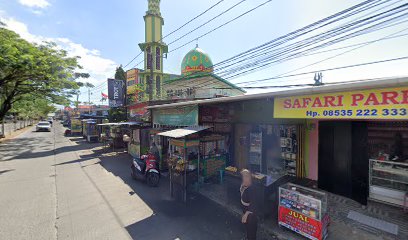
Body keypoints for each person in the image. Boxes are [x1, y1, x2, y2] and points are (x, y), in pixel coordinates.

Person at [240, 169, 258, 240]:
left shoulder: (252, 189)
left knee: (251, 232)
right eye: (243, 176)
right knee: (247, 228)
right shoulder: (244, 185)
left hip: (251, 215)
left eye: (247, 176)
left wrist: (246, 214)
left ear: (251, 178)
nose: (244, 178)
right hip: (245, 211)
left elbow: (254, 204)